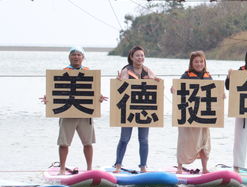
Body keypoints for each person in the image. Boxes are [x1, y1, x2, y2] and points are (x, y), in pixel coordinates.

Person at [41, 47, 106, 175]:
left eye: (78, 54)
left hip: (84, 112)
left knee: (88, 143)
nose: (76, 57)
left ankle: (89, 168)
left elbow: (93, 91)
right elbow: (55, 90)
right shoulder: (63, 72)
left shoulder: (89, 73)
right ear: (69, 57)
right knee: (64, 143)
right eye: (73, 55)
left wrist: (99, 97)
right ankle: (62, 168)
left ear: (83, 57)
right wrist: (48, 98)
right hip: (67, 111)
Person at [114, 45, 159, 173]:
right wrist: (118, 81)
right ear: (131, 57)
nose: (140, 58)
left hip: (144, 109)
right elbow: (120, 87)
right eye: (137, 55)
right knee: (124, 138)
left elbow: (156, 84)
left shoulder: (148, 71)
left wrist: (155, 80)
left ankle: (143, 166)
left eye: (142, 55)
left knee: (144, 139)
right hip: (129, 109)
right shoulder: (126, 70)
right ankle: (118, 165)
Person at [176, 51, 213, 174]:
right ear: (192, 63)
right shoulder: (185, 76)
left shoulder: (208, 76)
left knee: (204, 142)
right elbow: (178, 91)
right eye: (196, 61)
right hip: (189, 115)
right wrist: (173, 89)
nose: (199, 64)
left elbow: (214, 93)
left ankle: (205, 168)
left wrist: (221, 95)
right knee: (184, 140)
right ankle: (180, 167)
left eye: (201, 61)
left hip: (203, 115)